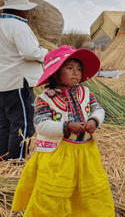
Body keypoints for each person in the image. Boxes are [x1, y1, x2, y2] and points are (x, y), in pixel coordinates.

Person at [11, 45, 115, 216]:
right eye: (69, 68)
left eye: (79, 69)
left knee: (89, 189)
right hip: (57, 154)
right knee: (54, 193)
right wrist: (65, 127)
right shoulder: (45, 98)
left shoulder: (85, 92)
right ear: (56, 72)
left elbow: (98, 109)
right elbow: (41, 124)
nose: (76, 72)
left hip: (85, 152)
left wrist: (94, 121)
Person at [0, 0, 48, 162]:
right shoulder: (18, 26)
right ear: (20, 11)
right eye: (27, 10)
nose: (28, 13)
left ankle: (3, 157)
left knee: (4, 123)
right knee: (23, 124)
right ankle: (16, 160)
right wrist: (47, 54)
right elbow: (29, 52)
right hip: (17, 82)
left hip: (2, 83)